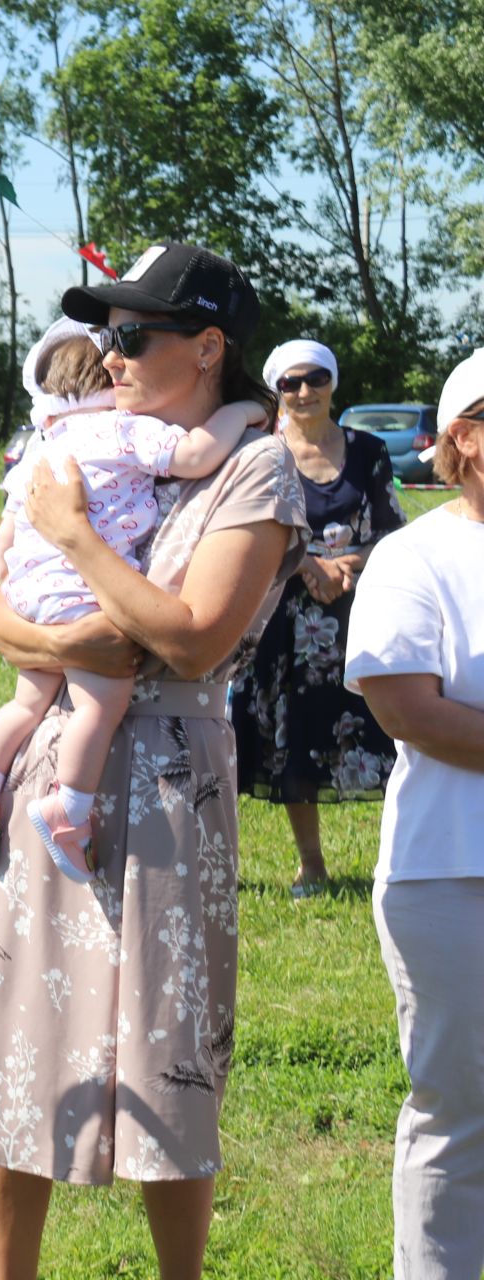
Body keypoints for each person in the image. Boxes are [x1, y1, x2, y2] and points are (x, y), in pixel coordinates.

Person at [0, 242, 307, 1280]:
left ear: (210, 347)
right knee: (13, 1032)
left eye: (133, 335)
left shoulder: (256, 464)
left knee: (167, 1046)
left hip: (172, 791)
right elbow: (2, 617)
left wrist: (77, 541)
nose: (111, 354)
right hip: (51, 780)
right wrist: (77, 636)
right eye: (104, 335)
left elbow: (190, 638)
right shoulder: (85, 438)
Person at [0, 318, 266, 881]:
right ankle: (69, 806)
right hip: (84, 593)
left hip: (32, 589)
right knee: (99, 704)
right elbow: (193, 455)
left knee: (25, 703)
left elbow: (4, 542)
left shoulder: (41, 452)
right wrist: (241, 413)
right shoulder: (120, 430)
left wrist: (20, 588)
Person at [346, 348, 484, 1280]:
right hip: (453, 876)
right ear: (465, 439)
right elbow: (408, 708)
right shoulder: (415, 556)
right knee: (462, 1108)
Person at [231, 339, 404, 896]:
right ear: (277, 391)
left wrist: (354, 561)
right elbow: (247, 524)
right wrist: (307, 564)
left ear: (332, 383)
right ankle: (312, 864)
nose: (304, 391)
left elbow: (392, 530)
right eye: (290, 383)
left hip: (360, 612)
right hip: (281, 617)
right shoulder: (261, 450)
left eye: (315, 379)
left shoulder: (369, 450)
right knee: (295, 737)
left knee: (384, 733)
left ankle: (397, 861)